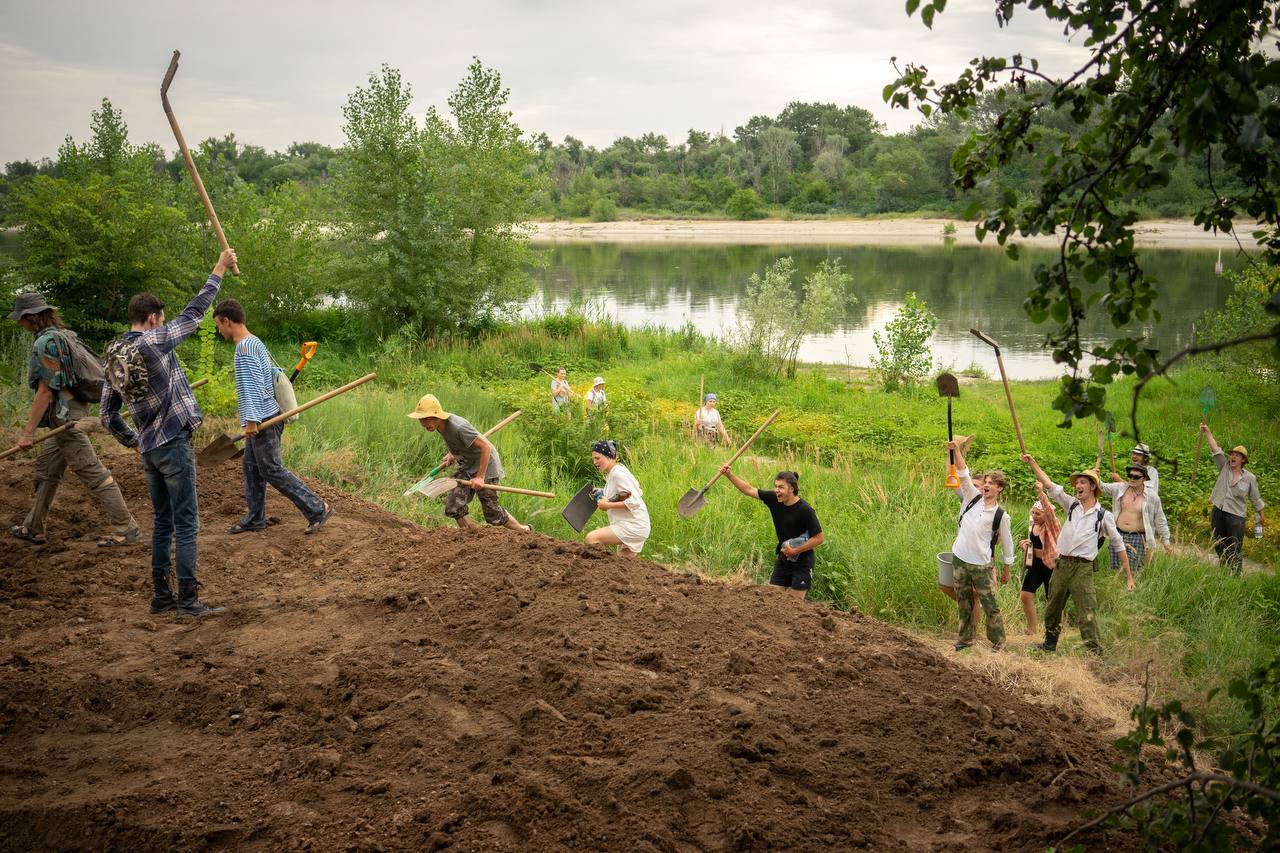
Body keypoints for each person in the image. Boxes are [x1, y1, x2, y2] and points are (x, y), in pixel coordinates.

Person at [102, 248, 238, 616]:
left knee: (162, 522)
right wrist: (219, 268)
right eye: (160, 320)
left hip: (149, 449)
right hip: (174, 444)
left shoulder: (115, 355)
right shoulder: (154, 341)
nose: (163, 325)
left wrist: (135, 441)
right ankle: (188, 600)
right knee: (187, 522)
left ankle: (161, 596)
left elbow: (107, 415)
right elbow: (195, 313)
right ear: (151, 319)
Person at [8, 293, 138, 548]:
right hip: (71, 413)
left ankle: (127, 527)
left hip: (65, 418)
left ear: (30, 317)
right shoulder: (65, 335)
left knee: (93, 472)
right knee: (46, 470)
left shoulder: (46, 343)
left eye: (21, 319)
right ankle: (33, 526)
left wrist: (27, 433)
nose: (19, 323)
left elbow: (45, 391)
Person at [213, 299, 331, 535]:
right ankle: (255, 517)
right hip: (268, 412)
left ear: (227, 321)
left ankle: (317, 508)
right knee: (251, 467)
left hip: (263, 418)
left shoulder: (244, 348)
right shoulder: (255, 341)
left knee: (270, 469)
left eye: (218, 325)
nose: (218, 331)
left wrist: (252, 421)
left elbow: (252, 387)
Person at [1021, 454, 1134, 656]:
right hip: (1062, 565)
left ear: (1093, 487)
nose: (1078, 486)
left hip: (1083, 569)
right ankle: (1049, 644)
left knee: (1087, 613)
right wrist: (1032, 463)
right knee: (1053, 607)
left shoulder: (1103, 516)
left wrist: (1129, 576)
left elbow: (1118, 544)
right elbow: (1049, 484)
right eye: (1077, 483)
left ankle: (1096, 654)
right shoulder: (1071, 505)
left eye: (1083, 482)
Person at [406, 394, 531, 533]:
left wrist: (480, 477)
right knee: (453, 507)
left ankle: (524, 530)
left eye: (426, 419)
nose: (424, 424)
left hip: (486, 465)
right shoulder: (438, 426)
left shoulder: (459, 427)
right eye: (421, 420)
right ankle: (470, 537)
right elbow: (457, 441)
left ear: (437, 416)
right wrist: (452, 453)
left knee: (493, 515)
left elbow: (485, 447)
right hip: (466, 464)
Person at [945, 439, 1013, 651]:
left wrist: (1006, 570)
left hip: (982, 564)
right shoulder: (971, 497)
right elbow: (963, 473)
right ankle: (966, 639)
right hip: (960, 558)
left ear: (999, 488)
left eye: (991, 483)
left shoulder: (1001, 515)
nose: (986, 485)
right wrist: (955, 451)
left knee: (990, 604)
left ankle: (998, 641)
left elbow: (1008, 544)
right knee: (963, 601)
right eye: (985, 481)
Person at [719, 465, 824, 599]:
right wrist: (729, 475)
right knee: (772, 599)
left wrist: (795, 551)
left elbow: (819, 538)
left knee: (794, 604)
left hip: (802, 563)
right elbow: (749, 489)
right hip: (784, 558)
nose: (776, 490)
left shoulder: (805, 510)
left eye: (781, 487)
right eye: (776, 486)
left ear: (792, 488)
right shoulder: (774, 499)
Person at [1201, 422, 1265, 575]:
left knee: (1234, 546)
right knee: (1218, 543)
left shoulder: (1250, 478)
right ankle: (1224, 570)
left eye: (1237, 455)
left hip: (1236, 516)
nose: (1233, 456)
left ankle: (1236, 574)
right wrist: (1207, 431)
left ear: (1243, 460)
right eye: (1233, 454)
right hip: (1219, 510)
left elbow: (1255, 498)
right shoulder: (1224, 467)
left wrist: (1261, 514)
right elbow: (1215, 450)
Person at [1100, 464, 1171, 572]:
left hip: (1138, 538)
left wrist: (1166, 542)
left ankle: (1131, 588)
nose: (1132, 479)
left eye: (1136, 477)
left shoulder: (1152, 497)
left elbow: (1160, 520)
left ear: (1144, 479)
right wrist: (1095, 475)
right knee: (1115, 569)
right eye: (1130, 476)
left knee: (1134, 570)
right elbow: (1101, 486)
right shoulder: (1120, 488)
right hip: (1117, 534)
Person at [584, 439, 650, 554]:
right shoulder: (614, 472)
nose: (594, 462)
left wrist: (607, 505)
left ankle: (599, 569)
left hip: (633, 525)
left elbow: (634, 501)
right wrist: (601, 492)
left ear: (608, 456)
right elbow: (622, 494)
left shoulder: (618, 474)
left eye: (597, 458)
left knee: (592, 538)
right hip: (638, 524)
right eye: (593, 459)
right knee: (623, 566)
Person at [1018, 484, 1060, 636]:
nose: (1035, 516)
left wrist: (1041, 492)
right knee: (1026, 595)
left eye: (1038, 514)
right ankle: (1032, 629)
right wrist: (1024, 544)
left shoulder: (1052, 525)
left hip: (1050, 566)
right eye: (1033, 513)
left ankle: (1053, 631)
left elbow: (1049, 509)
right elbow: (1030, 543)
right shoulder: (1033, 525)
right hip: (1035, 565)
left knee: (1052, 600)